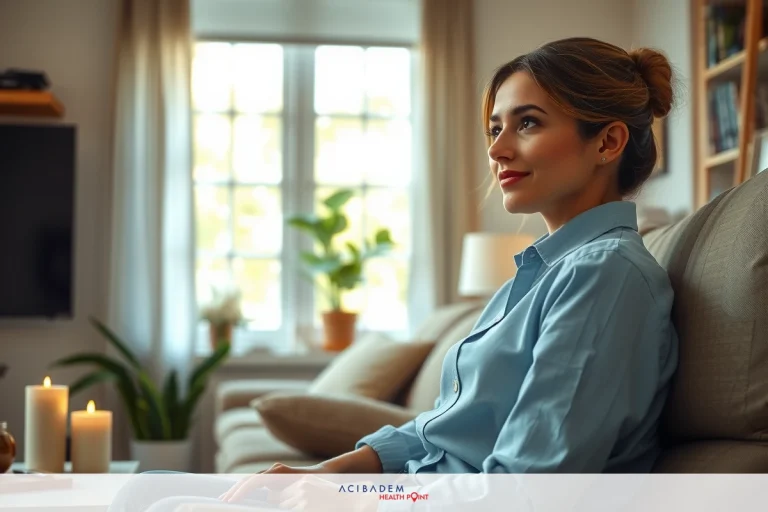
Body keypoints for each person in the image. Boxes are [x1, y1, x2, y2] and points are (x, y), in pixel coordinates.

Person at [110, 36, 680, 510]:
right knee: (147, 492)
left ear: (606, 141)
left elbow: (525, 488)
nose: (498, 149)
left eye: (527, 124)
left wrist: (354, 497)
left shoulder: (605, 278)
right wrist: (329, 471)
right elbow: (442, 428)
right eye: (494, 129)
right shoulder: (535, 277)